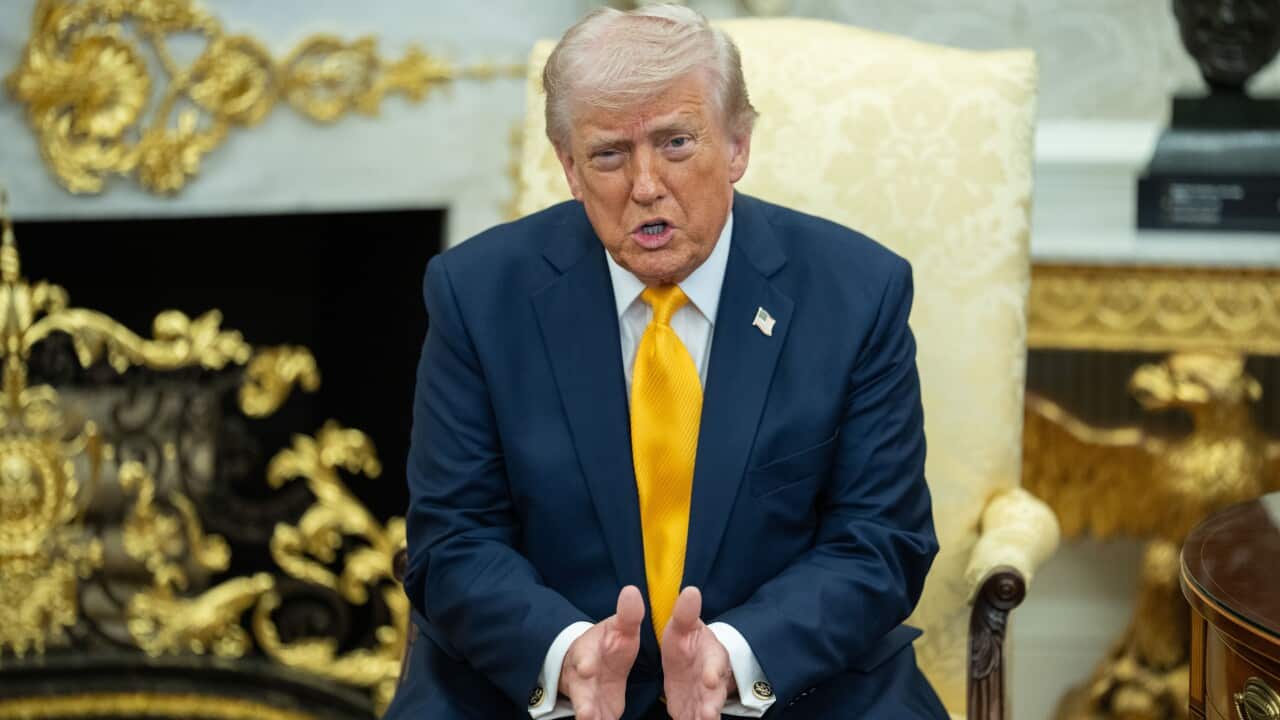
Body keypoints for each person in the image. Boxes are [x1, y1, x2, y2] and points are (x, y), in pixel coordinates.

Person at [384, 5, 946, 719]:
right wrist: (565, 652)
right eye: (609, 155)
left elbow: (881, 541)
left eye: (676, 143)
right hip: (534, 683)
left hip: (795, 680)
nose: (645, 185)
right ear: (569, 168)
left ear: (737, 146)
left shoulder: (857, 292)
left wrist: (737, 655)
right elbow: (455, 538)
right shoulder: (476, 294)